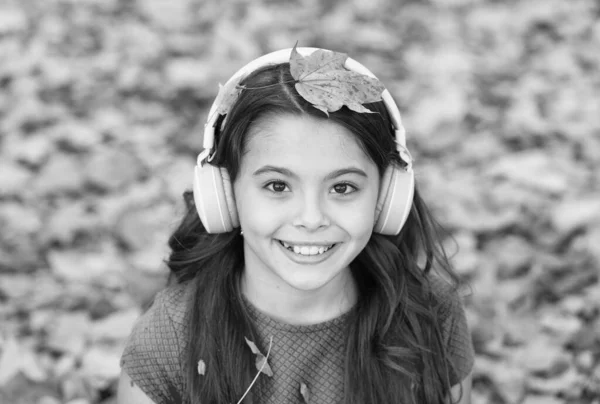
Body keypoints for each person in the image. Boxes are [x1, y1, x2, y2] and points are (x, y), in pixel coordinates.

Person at [117, 47, 474, 404]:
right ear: (225, 193)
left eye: (342, 188)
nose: (311, 219)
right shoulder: (170, 337)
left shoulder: (427, 315)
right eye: (277, 186)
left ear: (387, 197)